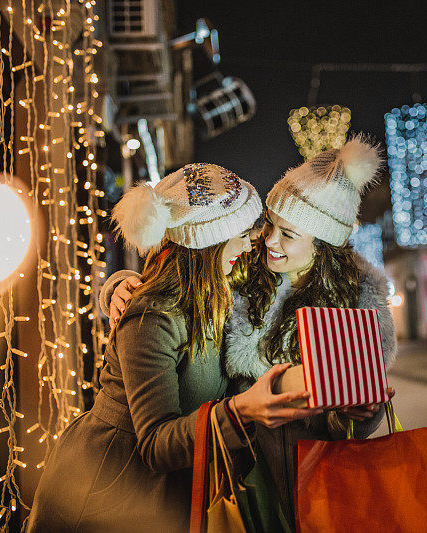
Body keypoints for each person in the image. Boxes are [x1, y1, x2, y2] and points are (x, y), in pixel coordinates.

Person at [102, 137, 397, 513]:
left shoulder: (357, 306)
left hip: (313, 480)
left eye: (288, 234)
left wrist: (357, 415)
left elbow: (348, 418)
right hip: (237, 474)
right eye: (270, 224)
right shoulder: (248, 268)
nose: (268, 240)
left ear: (323, 245)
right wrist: (117, 287)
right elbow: (186, 269)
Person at [27, 164, 322, 532]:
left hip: (172, 491)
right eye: (242, 234)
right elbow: (156, 444)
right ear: (208, 241)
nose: (252, 245)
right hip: (109, 488)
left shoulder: (221, 289)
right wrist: (241, 411)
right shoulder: (155, 315)